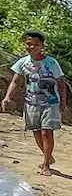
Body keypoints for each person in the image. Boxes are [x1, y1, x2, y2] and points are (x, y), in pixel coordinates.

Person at [2, 31, 68, 176]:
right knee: (36, 131)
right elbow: (16, 81)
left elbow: (61, 84)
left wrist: (63, 101)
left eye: (36, 44)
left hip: (51, 102)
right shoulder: (23, 63)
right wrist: (7, 97)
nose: (32, 47)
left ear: (42, 46)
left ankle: (46, 165)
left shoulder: (51, 63)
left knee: (47, 131)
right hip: (32, 102)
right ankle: (48, 156)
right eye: (29, 44)